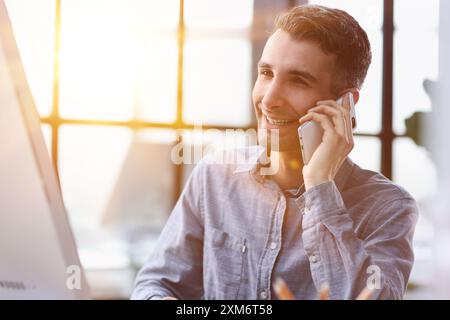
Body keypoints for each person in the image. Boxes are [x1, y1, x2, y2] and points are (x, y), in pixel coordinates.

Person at [131, 4, 418, 300]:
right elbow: (156, 283)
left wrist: (320, 185)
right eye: (266, 73)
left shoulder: (389, 209)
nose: (269, 100)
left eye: (297, 80)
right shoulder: (214, 176)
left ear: (344, 103)